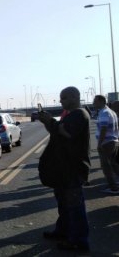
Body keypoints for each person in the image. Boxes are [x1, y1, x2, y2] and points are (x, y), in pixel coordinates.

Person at [38, 86, 90, 252]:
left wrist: (50, 121)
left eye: (64, 97)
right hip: (63, 169)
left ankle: (79, 241)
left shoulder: (79, 114)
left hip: (73, 169)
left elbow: (66, 132)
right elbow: (57, 133)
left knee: (75, 207)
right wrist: (48, 122)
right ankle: (63, 231)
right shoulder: (70, 114)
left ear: (74, 97)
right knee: (64, 204)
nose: (60, 101)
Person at [93, 95, 119, 194]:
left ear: (101, 101)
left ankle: (113, 187)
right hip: (113, 141)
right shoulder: (111, 112)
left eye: (95, 101)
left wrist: (99, 144)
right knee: (114, 165)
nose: (93, 103)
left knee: (106, 166)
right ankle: (115, 185)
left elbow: (103, 129)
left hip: (107, 143)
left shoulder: (104, 112)